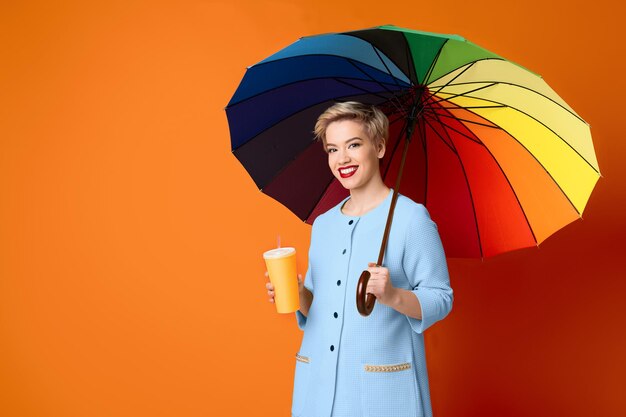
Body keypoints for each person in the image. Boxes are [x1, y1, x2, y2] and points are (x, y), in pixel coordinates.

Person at [265, 101, 453, 417]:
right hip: (319, 390)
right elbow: (319, 312)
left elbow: (441, 298)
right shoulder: (324, 224)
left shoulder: (410, 219)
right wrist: (299, 295)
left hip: (382, 394)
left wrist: (393, 296)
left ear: (379, 146)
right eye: (332, 149)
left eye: (354, 144)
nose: (343, 159)